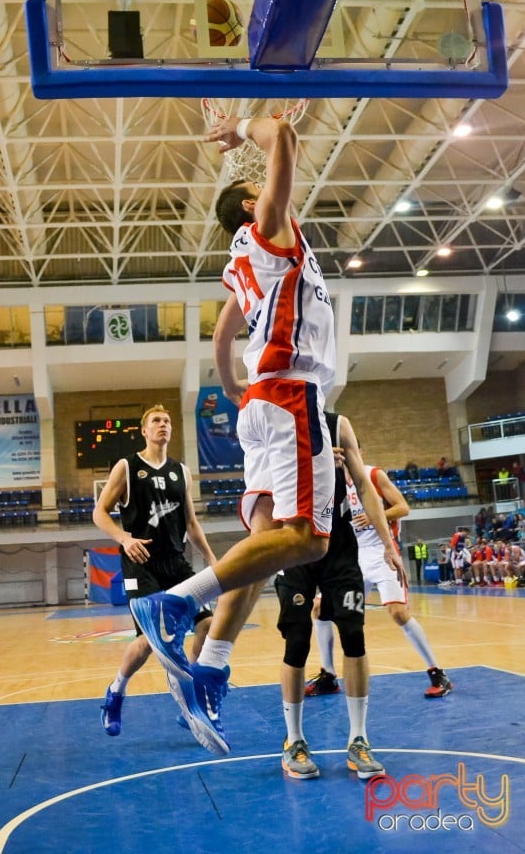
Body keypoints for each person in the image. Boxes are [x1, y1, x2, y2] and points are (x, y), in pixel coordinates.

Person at [130, 114, 402, 756]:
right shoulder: (269, 232)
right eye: (260, 193)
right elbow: (282, 137)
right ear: (253, 207)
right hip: (289, 395)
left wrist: (229, 387)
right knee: (308, 538)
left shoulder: (241, 264)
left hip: (261, 400)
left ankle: (212, 665)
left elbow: (224, 336)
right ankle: (173, 604)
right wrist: (245, 129)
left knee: (269, 545)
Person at [274, 412, 404, 780]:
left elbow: (363, 484)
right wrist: (313, 466)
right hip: (295, 536)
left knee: (355, 635)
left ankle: (359, 739)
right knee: (297, 640)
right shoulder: (275, 420)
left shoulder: (339, 423)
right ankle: (294, 741)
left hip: (339, 542)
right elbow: (262, 483)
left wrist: (388, 545)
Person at [92, 404, 216, 736]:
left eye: (167, 421)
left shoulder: (182, 472)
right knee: (149, 642)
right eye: (156, 421)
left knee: (208, 625)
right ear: (144, 431)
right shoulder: (127, 467)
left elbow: (191, 523)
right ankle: (116, 691)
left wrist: (212, 560)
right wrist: (122, 537)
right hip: (140, 563)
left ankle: (193, 696)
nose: (163, 425)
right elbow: (99, 512)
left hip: (176, 563)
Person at [307, 460, 453, 698]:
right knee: (319, 607)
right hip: (351, 556)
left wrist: (376, 516)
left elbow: (403, 507)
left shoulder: (373, 475)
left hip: (381, 553)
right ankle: (329, 676)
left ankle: (438, 672)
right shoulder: (331, 481)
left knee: (398, 613)